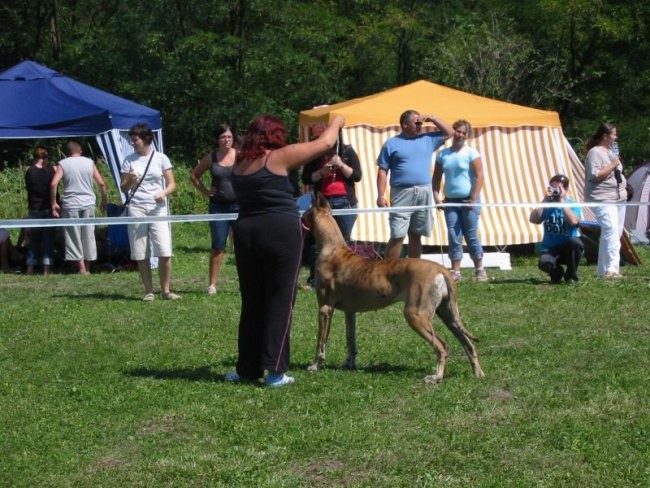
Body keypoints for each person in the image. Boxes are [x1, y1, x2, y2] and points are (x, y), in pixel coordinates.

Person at [227, 113, 345, 387]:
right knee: (280, 300)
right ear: (276, 135)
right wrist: (337, 120)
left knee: (253, 301)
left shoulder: (238, 162)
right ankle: (276, 371)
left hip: (245, 231)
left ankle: (247, 369)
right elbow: (326, 142)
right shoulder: (280, 156)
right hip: (279, 231)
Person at [377, 110, 453, 259]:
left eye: (421, 123)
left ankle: (412, 271)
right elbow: (382, 171)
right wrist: (380, 195)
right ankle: (388, 272)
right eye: (416, 123)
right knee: (398, 234)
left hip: (424, 191)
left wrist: (432, 117)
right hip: (401, 192)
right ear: (405, 124)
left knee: (416, 234)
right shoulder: (391, 144)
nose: (420, 126)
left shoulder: (428, 139)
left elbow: (449, 132)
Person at [120, 123, 180, 301]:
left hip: (158, 208)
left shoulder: (161, 158)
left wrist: (164, 193)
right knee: (141, 251)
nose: (133, 142)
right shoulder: (128, 159)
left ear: (146, 139)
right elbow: (123, 188)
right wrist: (129, 180)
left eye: (135, 139)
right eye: (132, 139)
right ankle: (149, 291)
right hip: (137, 208)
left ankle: (166, 290)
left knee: (164, 249)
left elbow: (172, 184)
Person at [301, 123, 362, 288]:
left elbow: (357, 176)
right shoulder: (315, 155)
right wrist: (322, 172)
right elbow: (306, 179)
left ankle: (344, 280)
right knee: (317, 243)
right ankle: (316, 280)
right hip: (322, 205)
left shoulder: (348, 151)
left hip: (345, 203)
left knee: (343, 242)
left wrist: (341, 165)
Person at [432, 119, 488, 282]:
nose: (460, 135)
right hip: (450, 201)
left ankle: (479, 268)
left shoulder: (472, 153)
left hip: (470, 200)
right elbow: (436, 178)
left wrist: (473, 198)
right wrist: (437, 198)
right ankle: (455, 271)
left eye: (464, 133)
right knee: (453, 235)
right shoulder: (442, 154)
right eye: (458, 131)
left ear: (467, 135)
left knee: (471, 235)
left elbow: (479, 176)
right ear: (453, 132)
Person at [190, 124, 238, 295]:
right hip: (218, 207)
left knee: (241, 246)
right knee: (218, 247)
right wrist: (205, 191)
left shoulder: (240, 156)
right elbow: (194, 176)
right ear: (217, 140)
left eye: (229, 137)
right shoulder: (211, 158)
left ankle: (244, 283)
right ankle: (212, 285)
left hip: (239, 206)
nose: (227, 140)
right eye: (223, 137)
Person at [50, 141, 107, 274]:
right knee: (88, 234)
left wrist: (54, 202)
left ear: (68, 152)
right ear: (80, 151)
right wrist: (104, 200)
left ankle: (81, 267)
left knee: (73, 235)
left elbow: (53, 184)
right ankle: (87, 266)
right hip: (88, 203)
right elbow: (101, 184)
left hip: (70, 204)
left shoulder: (63, 164)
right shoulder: (89, 162)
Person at [584, 123, 627, 278]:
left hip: (619, 198)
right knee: (610, 228)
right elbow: (595, 175)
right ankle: (612, 270)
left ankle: (603, 270)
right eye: (614, 134)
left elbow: (617, 172)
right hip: (602, 197)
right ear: (605, 136)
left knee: (614, 233)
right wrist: (613, 164)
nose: (616, 137)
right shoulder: (594, 153)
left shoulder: (612, 152)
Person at [529, 174, 583, 283]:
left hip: (569, 247)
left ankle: (571, 276)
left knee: (576, 243)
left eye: (558, 188)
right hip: (551, 247)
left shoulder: (573, 204)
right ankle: (557, 273)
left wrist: (562, 201)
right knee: (544, 263)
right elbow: (534, 219)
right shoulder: (548, 205)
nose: (555, 191)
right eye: (553, 188)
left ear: (566, 189)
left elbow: (573, 221)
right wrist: (545, 201)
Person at [24, 146, 56, 275]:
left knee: (33, 240)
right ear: (45, 158)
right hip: (48, 208)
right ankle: (47, 269)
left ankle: (30, 268)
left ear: (35, 158)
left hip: (34, 208)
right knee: (48, 239)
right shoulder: (51, 171)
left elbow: (28, 188)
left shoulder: (30, 171)